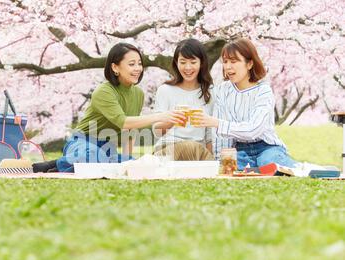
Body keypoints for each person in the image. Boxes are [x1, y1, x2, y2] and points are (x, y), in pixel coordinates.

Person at [33, 42, 186, 173]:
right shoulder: (104, 91)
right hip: (83, 143)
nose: (138, 68)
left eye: (140, 63)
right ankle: (59, 164)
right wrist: (162, 116)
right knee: (92, 156)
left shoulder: (138, 93)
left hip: (107, 149)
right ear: (115, 67)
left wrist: (127, 159)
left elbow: (130, 131)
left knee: (133, 164)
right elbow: (123, 122)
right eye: (131, 64)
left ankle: (70, 164)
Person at [191, 38, 298, 170]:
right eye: (225, 61)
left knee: (269, 162)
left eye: (234, 61)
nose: (228, 66)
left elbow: (253, 129)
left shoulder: (263, 91)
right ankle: (254, 169)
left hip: (266, 146)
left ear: (249, 64)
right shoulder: (223, 90)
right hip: (239, 149)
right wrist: (221, 159)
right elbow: (219, 136)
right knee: (234, 168)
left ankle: (299, 168)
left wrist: (217, 123)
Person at [152, 38, 215, 161]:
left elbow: (209, 134)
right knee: (191, 146)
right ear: (176, 63)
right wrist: (172, 120)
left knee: (195, 148)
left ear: (201, 63)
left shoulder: (210, 91)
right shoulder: (165, 90)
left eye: (193, 62)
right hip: (168, 148)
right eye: (183, 62)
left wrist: (211, 159)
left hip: (198, 151)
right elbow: (157, 132)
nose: (188, 67)